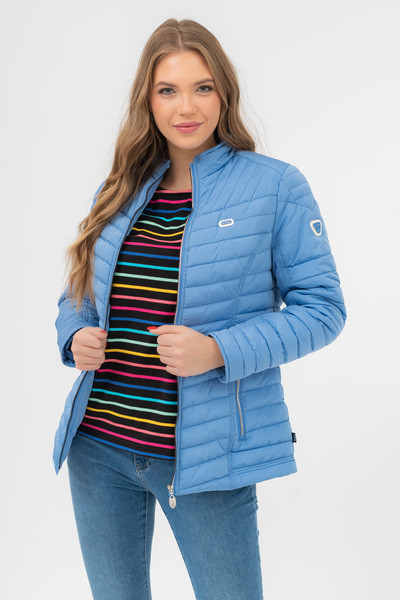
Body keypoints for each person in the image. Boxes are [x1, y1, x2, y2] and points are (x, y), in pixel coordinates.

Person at [53, 18, 347, 600]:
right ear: (148, 100)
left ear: (224, 93)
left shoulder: (275, 187)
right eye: (168, 90)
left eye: (202, 87)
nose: (186, 107)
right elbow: (80, 290)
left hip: (208, 459)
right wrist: (74, 333)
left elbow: (323, 309)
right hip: (99, 446)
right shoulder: (121, 186)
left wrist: (217, 350)